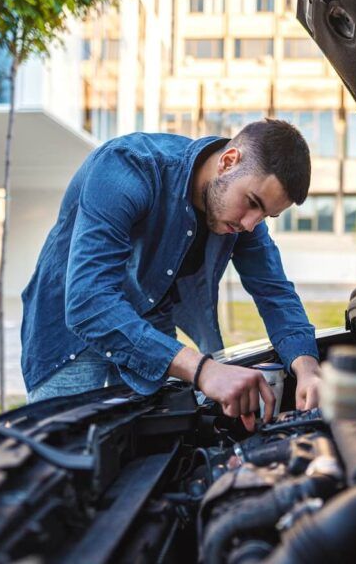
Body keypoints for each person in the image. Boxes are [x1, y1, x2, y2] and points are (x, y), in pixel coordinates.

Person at [20, 119, 322, 429]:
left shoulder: (243, 217)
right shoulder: (127, 167)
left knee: (151, 453)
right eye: (252, 203)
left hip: (149, 326)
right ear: (228, 162)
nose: (250, 225)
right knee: (65, 457)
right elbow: (89, 303)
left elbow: (275, 292)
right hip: (72, 338)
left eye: (265, 216)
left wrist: (307, 368)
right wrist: (204, 370)